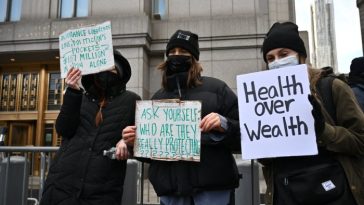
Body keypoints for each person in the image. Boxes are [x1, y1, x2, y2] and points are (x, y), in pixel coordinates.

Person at [122, 30, 241, 205]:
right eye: (172, 52)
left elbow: (246, 135)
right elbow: (153, 154)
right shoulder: (157, 97)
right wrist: (136, 143)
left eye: (183, 52)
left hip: (212, 191)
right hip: (171, 192)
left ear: (193, 57)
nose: (177, 56)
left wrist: (224, 125)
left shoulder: (218, 89)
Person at [260, 21, 364, 205]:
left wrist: (323, 130)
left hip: (332, 192)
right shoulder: (263, 99)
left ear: (301, 56)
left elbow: (360, 141)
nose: (277, 61)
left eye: (284, 54)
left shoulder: (332, 87)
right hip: (286, 193)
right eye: (270, 58)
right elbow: (265, 159)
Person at [40, 50, 141, 205]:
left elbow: (141, 138)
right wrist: (72, 92)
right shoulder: (79, 96)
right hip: (61, 186)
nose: (107, 72)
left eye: (112, 68)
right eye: (102, 67)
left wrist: (127, 142)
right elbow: (63, 130)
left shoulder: (131, 100)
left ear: (120, 73)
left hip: (102, 192)